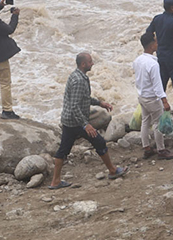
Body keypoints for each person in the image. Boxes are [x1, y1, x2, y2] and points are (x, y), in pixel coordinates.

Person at [49, 52, 125, 188]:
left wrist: (100, 103)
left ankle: (55, 181)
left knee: (63, 150)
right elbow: (75, 106)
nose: (93, 64)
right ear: (83, 64)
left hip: (69, 120)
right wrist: (86, 125)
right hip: (76, 121)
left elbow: (84, 98)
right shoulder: (79, 81)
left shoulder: (77, 75)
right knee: (99, 141)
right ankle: (113, 171)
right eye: (90, 62)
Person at [134, 32, 173, 160]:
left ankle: (146, 148)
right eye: (156, 42)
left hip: (142, 96)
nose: (157, 44)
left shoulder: (138, 61)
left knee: (145, 121)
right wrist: (164, 101)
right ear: (152, 45)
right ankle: (161, 149)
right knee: (158, 124)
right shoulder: (153, 64)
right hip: (152, 99)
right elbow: (157, 85)